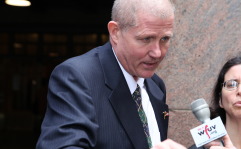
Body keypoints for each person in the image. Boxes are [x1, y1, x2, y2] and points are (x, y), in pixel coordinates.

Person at [35, 0, 185, 148]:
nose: (157, 52)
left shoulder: (155, 85)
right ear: (115, 32)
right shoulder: (77, 77)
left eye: (165, 39)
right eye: (146, 39)